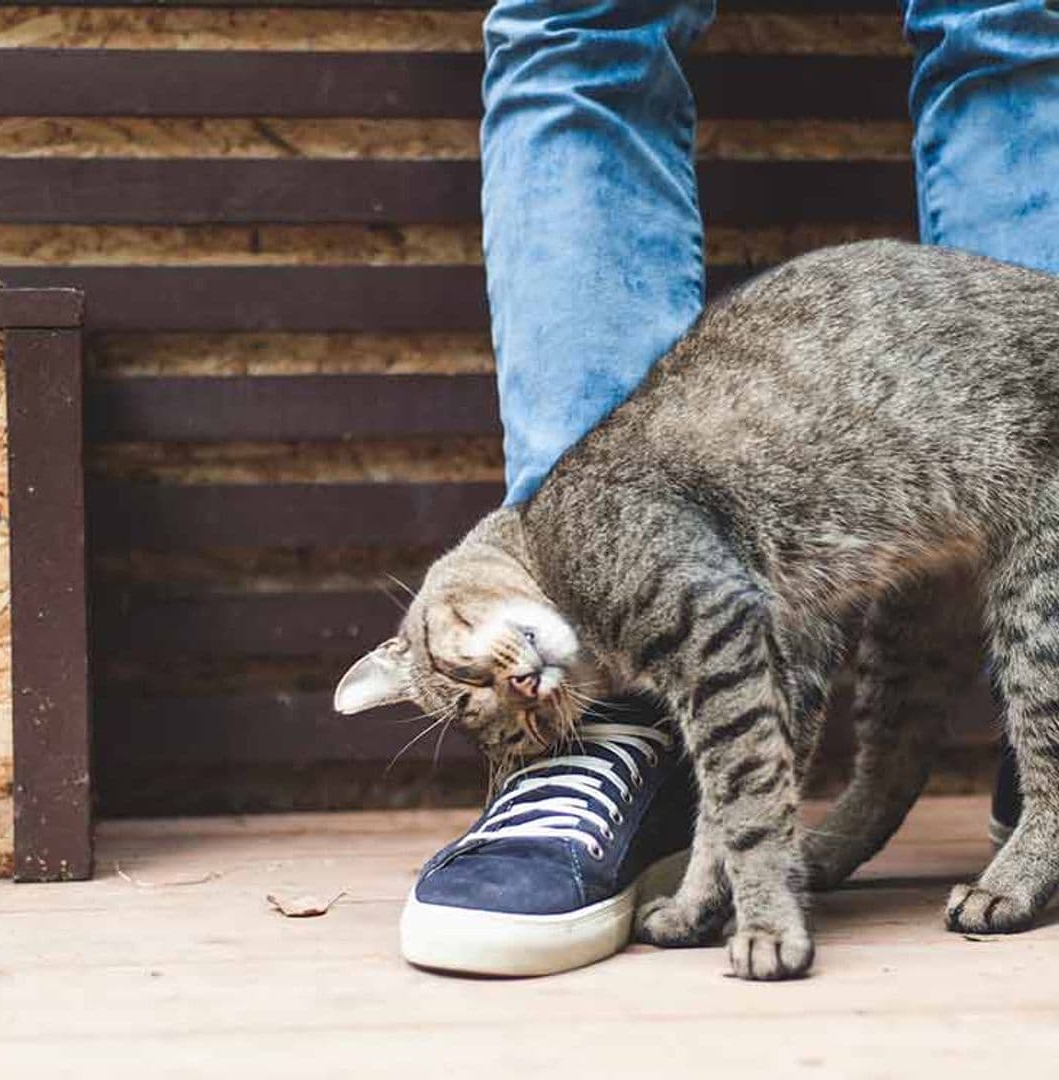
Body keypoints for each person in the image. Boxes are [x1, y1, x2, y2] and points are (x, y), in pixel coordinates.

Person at [399, 0, 1059, 974]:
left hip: (991, 426)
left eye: (469, 681)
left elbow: (728, 665)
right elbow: (755, 665)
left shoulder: (581, 528)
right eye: (516, 714)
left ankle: (1045, 791)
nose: (514, 685)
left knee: (1003, 16)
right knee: (583, 17)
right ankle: (634, 745)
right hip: (895, 477)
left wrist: (755, 883)